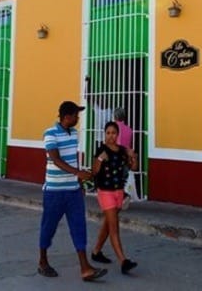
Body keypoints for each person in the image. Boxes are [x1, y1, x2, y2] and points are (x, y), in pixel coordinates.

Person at [38, 101, 107, 282]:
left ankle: (85, 267)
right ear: (67, 116)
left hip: (73, 191)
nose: (78, 118)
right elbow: (55, 159)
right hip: (54, 191)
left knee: (79, 227)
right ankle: (42, 261)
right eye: (76, 115)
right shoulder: (50, 133)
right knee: (48, 227)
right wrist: (78, 173)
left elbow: (73, 159)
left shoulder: (74, 133)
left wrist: (78, 182)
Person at [90, 121, 138, 274]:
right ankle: (123, 261)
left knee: (108, 223)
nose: (111, 136)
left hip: (118, 192)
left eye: (114, 133)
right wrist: (100, 160)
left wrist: (133, 157)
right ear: (105, 134)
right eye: (108, 133)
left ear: (118, 135)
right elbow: (94, 171)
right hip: (105, 192)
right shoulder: (101, 150)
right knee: (114, 227)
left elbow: (133, 168)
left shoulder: (122, 150)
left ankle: (96, 252)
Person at [114, 107, 139, 208]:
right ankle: (121, 199)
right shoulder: (129, 129)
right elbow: (128, 144)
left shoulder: (114, 128)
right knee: (121, 180)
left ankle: (123, 197)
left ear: (115, 116)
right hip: (126, 157)